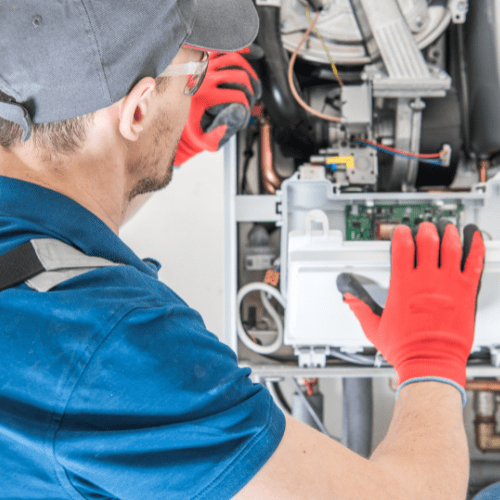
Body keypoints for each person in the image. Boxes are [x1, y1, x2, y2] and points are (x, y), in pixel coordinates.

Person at [0, 1, 485, 499]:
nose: (199, 90)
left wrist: (151, 154)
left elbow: (53, 228)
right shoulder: (113, 352)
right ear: (138, 110)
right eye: (195, 74)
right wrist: (433, 357)